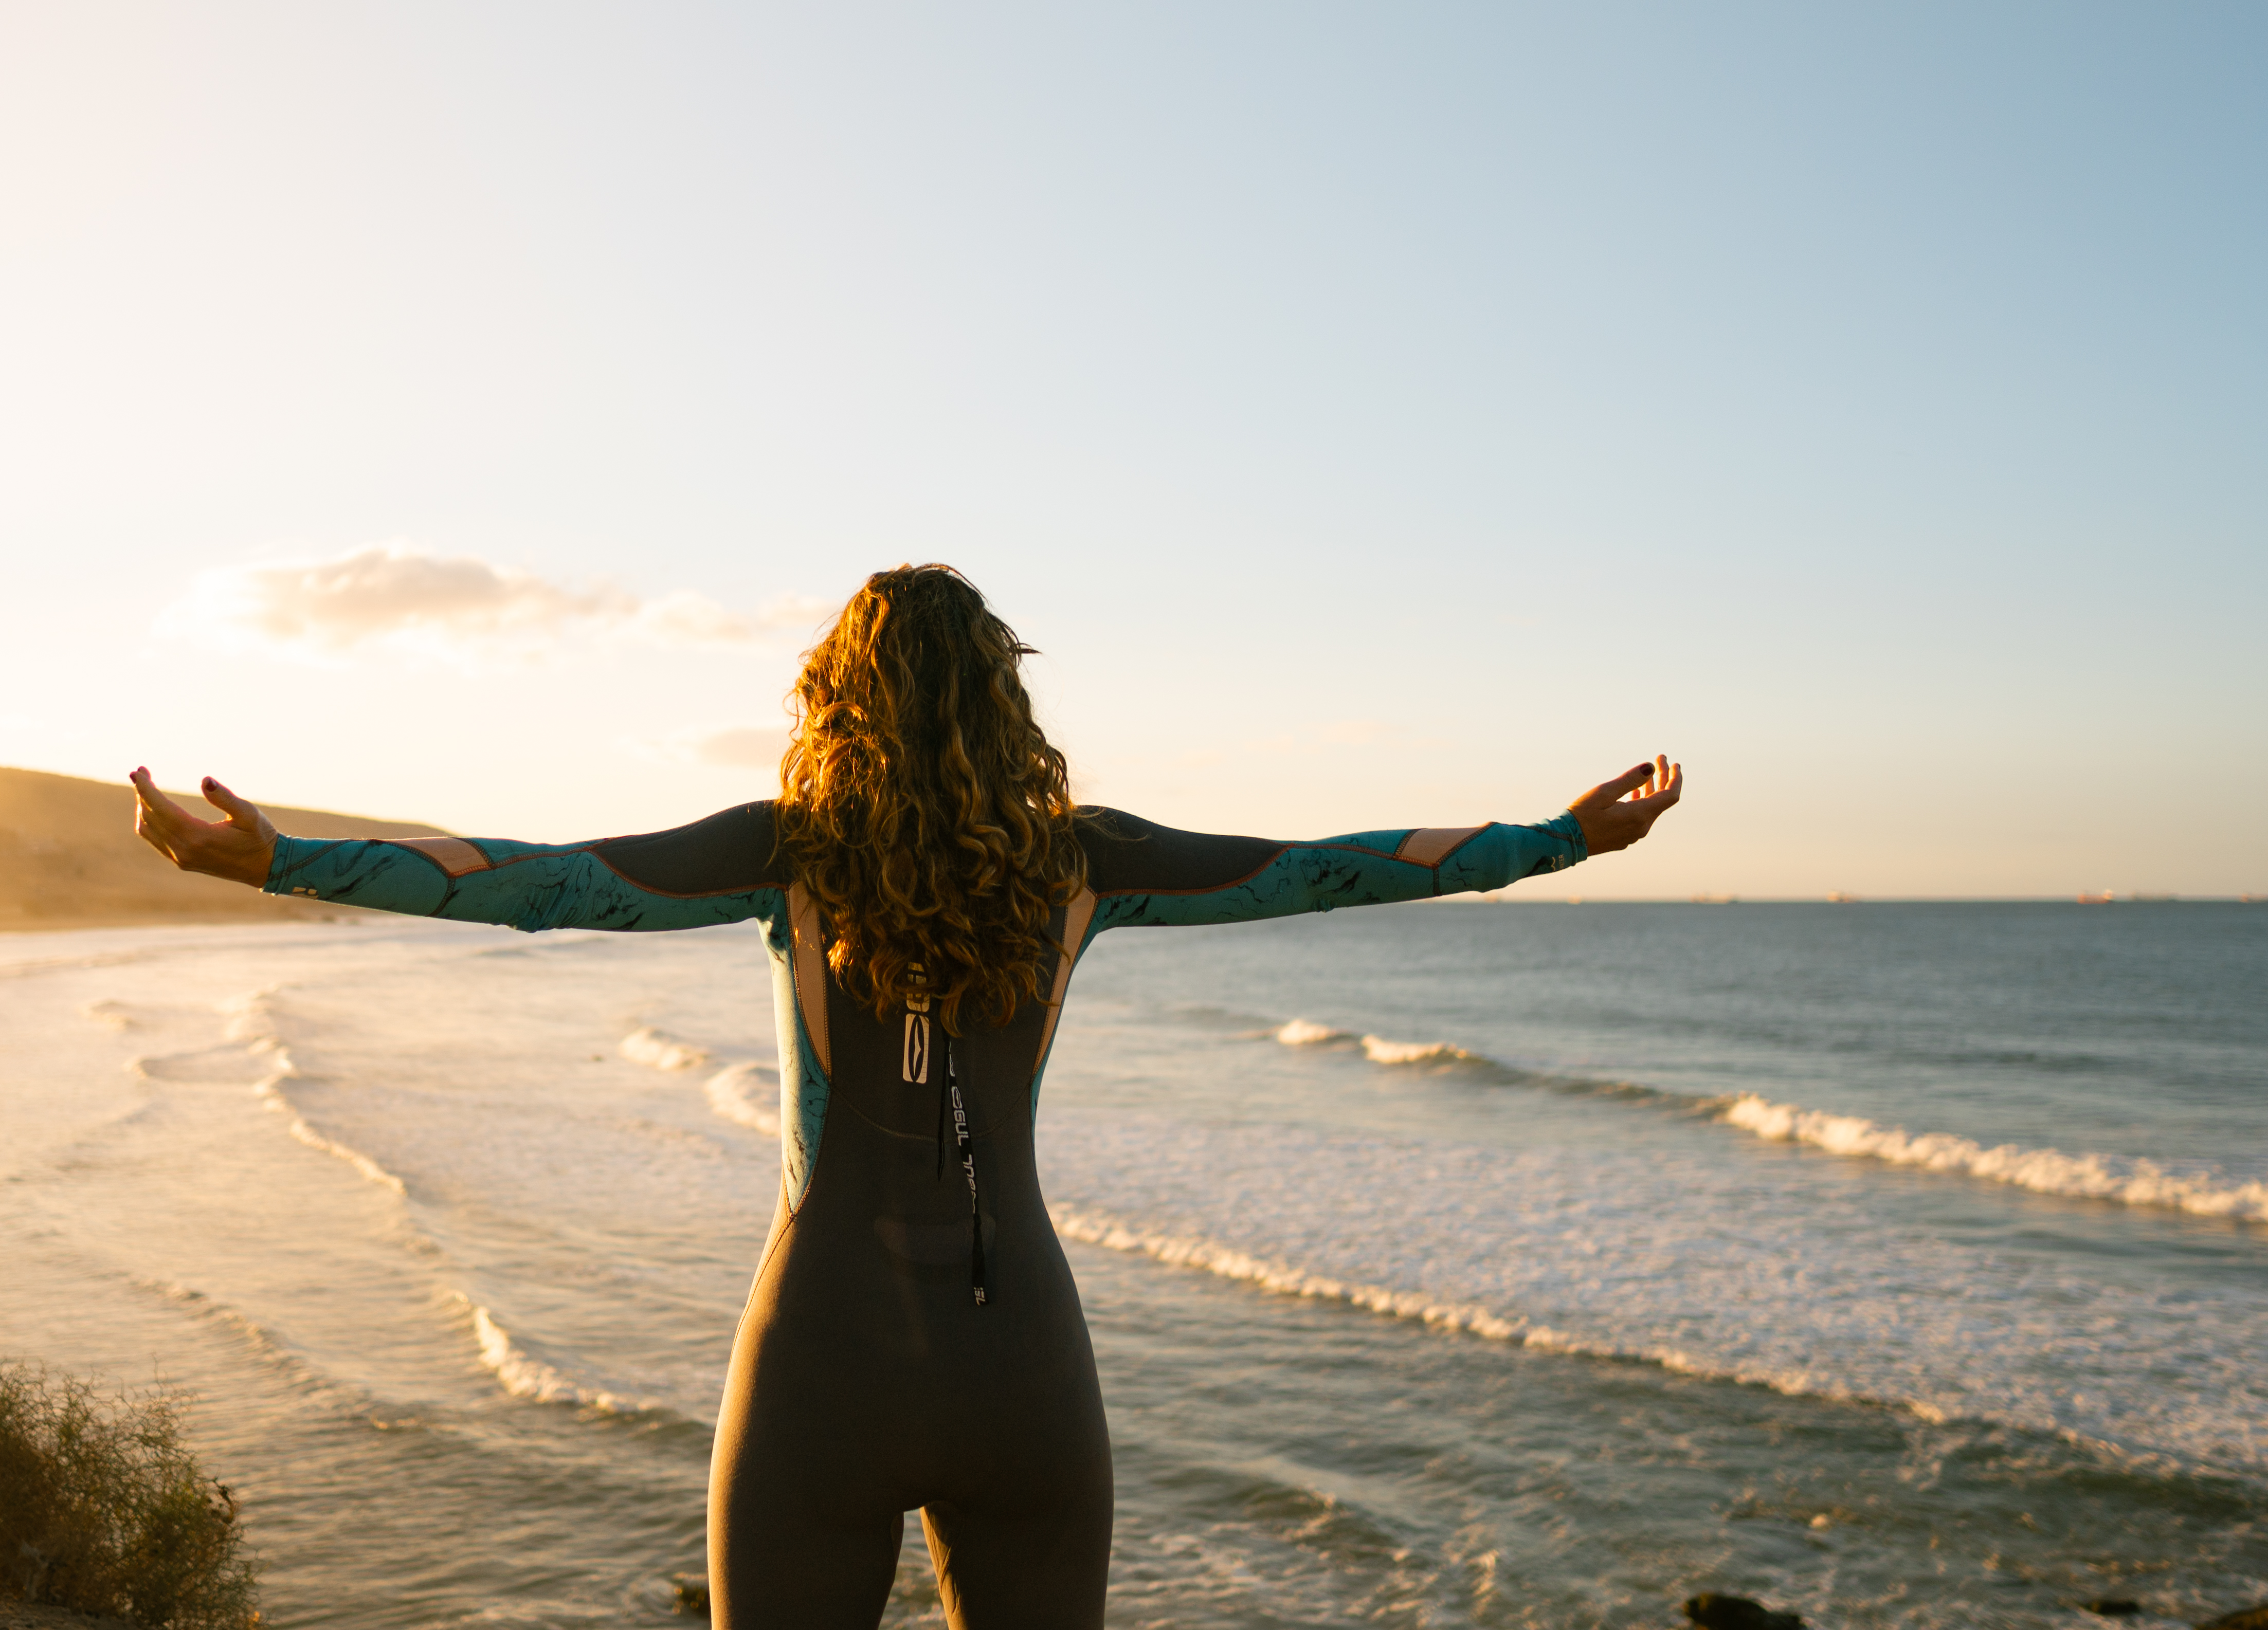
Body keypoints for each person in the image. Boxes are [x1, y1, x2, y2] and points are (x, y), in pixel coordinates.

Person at [132, 563, 1681, 1629]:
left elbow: (537, 883)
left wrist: (281, 862)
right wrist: (1556, 840)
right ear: (1004, 703)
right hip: (1025, 1375)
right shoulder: (1083, 861)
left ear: (835, 698)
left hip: (822, 1366)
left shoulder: (785, 851)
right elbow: (1329, 869)